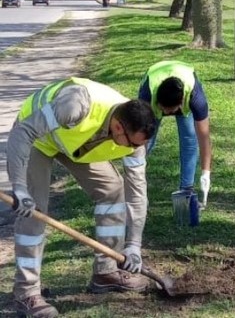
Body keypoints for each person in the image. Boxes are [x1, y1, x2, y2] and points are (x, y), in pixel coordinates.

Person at [6, 78, 157, 318]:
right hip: (37, 138)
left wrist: (134, 245)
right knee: (34, 212)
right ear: (119, 128)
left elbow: (137, 191)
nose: (134, 149)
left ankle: (106, 271)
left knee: (112, 190)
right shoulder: (77, 104)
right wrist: (20, 188)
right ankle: (26, 293)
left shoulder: (135, 141)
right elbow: (21, 134)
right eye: (132, 144)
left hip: (75, 143)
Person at [138, 60, 212, 203]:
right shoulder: (147, 95)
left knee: (189, 139)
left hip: (183, 85)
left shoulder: (196, 98)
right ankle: (138, 182)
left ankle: (186, 189)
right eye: (163, 109)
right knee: (147, 138)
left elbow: (204, 138)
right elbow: (138, 138)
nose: (166, 113)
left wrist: (205, 173)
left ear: (182, 101)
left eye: (170, 110)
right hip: (154, 78)